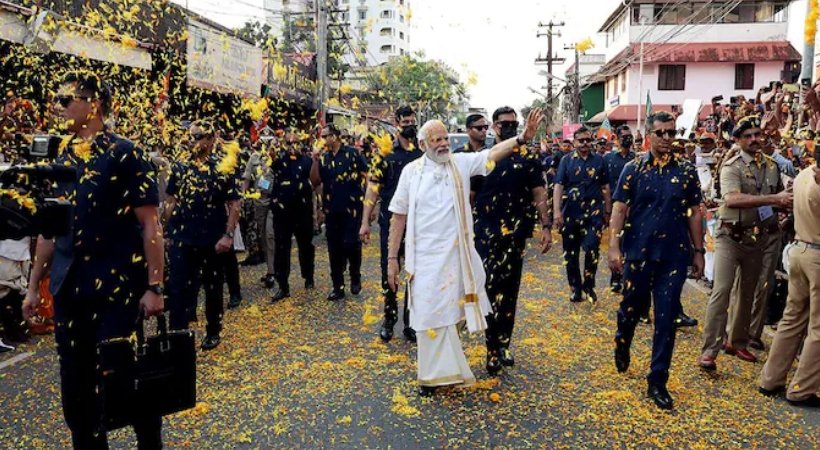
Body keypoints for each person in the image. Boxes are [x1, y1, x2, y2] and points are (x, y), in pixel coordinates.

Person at [22, 71, 165, 449]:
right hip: (71, 288)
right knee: (76, 386)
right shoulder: (60, 155)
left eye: (66, 100)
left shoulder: (126, 153)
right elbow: (49, 230)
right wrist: (34, 286)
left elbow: (151, 224)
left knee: (123, 378)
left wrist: (155, 286)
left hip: (118, 288)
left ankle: (149, 442)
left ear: (93, 104)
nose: (58, 107)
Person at [386, 109, 544, 397]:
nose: (444, 143)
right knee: (425, 315)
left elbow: (493, 154)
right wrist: (391, 260)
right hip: (423, 260)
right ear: (423, 145)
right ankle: (430, 377)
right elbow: (398, 216)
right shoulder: (411, 173)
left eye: (446, 137)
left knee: (452, 313)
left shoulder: (459, 164)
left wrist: (522, 138)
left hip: (457, 258)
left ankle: (446, 369)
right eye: (436, 140)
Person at [608, 111, 705, 410]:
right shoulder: (633, 169)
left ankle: (658, 380)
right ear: (649, 134)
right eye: (661, 133)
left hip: (673, 258)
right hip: (639, 253)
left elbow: (695, 212)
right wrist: (614, 247)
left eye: (671, 132)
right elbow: (620, 208)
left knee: (666, 319)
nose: (666, 138)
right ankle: (623, 339)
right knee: (632, 309)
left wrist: (698, 251)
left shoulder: (687, 172)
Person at [698, 115, 793, 370]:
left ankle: (737, 342)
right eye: (747, 136)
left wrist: (782, 205)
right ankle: (709, 350)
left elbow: (779, 192)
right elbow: (732, 199)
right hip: (730, 235)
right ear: (738, 140)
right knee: (722, 290)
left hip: (756, 237)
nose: (754, 140)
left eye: (756, 135)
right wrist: (774, 199)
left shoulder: (771, 166)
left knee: (748, 292)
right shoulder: (733, 166)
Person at [474, 106, 552, 376]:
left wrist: (546, 225)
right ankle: (492, 346)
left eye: (513, 123)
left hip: (516, 235)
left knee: (509, 290)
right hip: (486, 234)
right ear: (494, 127)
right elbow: (470, 197)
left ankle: (503, 343)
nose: (509, 127)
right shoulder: (484, 158)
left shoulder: (528, 157)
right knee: (490, 288)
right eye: (504, 123)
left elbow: (539, 192)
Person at [165, 120, 241, 351]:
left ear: (210, 140)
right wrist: (166, 231)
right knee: (178, 286)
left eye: (199, 137)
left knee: (213, 286)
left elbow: (235, 204)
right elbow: (171, 200)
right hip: (182, 237)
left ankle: (213, 331)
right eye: (192, 136)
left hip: (212, 238)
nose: (194, 141)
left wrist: (228, 235)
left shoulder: (222, 167)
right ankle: (177, 335)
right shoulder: (180, 166)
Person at [758, 166, 820, 407]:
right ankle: (801, 389)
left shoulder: (803, 174)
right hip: (816, 257)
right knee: (817, 327)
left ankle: (770, 379)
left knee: (792, 318)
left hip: (799, 251)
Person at [359, 106, 422, 342]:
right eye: (405, 121)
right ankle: (389, 318)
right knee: (390, 270)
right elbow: (372, 189)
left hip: (418, 224)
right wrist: (365, 221)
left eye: (412, 121)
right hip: (390, 223)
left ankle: (411, 322)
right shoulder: (384, 154)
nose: (409, 125)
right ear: (396, 123)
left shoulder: (422, 152)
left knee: (414, 273)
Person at [553, 126, 611, 303]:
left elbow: (605, 188)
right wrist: (557, 212)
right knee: (570, 254)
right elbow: (558, 186)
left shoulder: (600, 161)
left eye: (588, 140)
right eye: (581, 140)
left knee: (592, 250)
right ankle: (575, 289)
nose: (585, 143)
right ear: (574, 142)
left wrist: (608, 212)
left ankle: (589, 285)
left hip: (594, 215)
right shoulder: (566, 161)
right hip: (571, 213)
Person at [311, 124, 368, 301]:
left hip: (352, 209)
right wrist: (314, 159)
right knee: (334, 249)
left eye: (325, 136)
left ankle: (355, 275)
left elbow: (367, 177)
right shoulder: (325, 158)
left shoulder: (352, 154)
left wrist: (368, 207)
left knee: (352, 244)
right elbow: (315, 181)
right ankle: (338, 286)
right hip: (332, 210)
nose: (323, 140)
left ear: (334, 137)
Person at [269, 129, 316, 301]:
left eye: (295, 142)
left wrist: (319, 209)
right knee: (281, 248)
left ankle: (308, 275)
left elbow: (315, 183)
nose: (292, 146)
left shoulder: (307, 161)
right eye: (288, 143)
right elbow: (266, 180)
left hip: (302, 211)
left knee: (306, 245)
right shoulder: (278, 162)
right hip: (282, 212)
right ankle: (283, 285)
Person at [602, 125, 635, 294]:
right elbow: (604, 185)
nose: (628, 139)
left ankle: (627, 278)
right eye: (624, 137)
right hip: (616, 207)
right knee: (616, 242)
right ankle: (615, 277)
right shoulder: (609, 159)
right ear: (617, 138)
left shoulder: (637, 159)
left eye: (630, 136)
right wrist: (606, 209)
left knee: (629, 243)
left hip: (632, 209)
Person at [241, 141, 276, 288]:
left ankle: (272, 272)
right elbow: (247, 178)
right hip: (260, 203)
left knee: (270, 234)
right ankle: (270, 268)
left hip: (274, 202)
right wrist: (242, 195)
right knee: (262, 236)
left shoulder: (278, 156)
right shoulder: (254, 158)